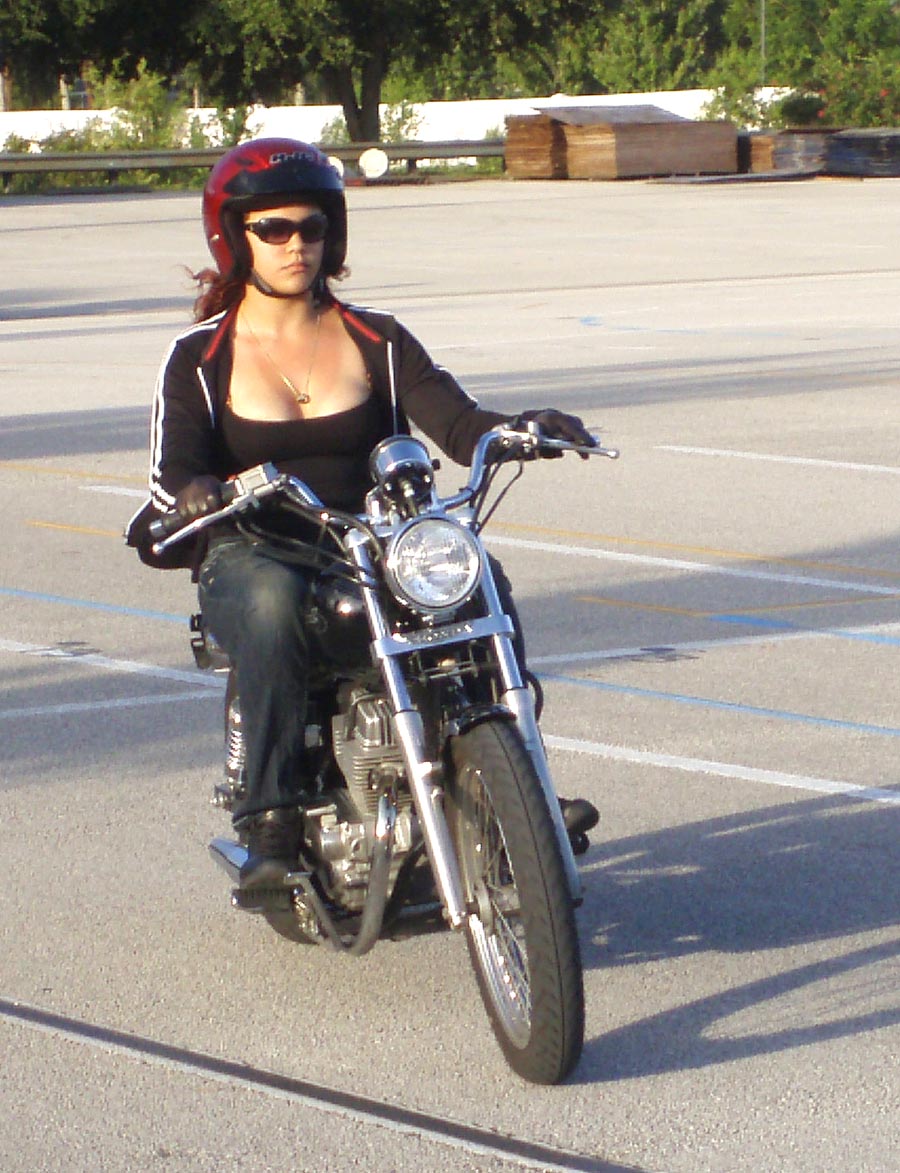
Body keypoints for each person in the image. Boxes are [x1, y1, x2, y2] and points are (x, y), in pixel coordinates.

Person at [126, 137, 598, 889]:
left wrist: (522, 427)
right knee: (273, 601)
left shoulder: (376, 338)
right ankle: (272, 820)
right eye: (273, 229)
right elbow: (171, 471)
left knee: (474, 574)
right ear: (235, 237)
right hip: (257, 547)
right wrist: (194, 491)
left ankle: (522, 785)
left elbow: (457, 422)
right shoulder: (200, 358)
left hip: (371, 538)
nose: (296, 245)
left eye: (311, 227)